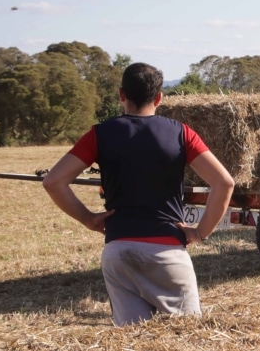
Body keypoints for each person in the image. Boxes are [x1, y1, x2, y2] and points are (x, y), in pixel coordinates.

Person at [43, 62, 235, 326]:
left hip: (119, 251)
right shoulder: (182, 134)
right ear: (159, 97)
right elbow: (224, 183)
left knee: (132, 346)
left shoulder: (99, 135)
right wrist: (200, 232)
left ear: (122, 95)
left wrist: (88, 219)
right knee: (186, 341)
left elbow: (53, 181)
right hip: (167, 254)